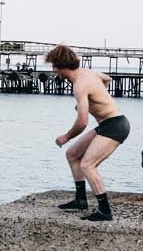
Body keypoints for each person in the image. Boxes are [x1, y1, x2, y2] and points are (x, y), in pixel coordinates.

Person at [49, 44, 130, 221]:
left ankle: (105, 211)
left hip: (115, 126)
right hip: (109, 123)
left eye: (54, 66)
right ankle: (80, 200)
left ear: (61, 65)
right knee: (72, 154)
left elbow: (82, 122)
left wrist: (66, 136)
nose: (54, 71)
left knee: (87, 165)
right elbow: (107, 79)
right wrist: (96, 99)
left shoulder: (80, 85)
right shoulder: (88, 73)